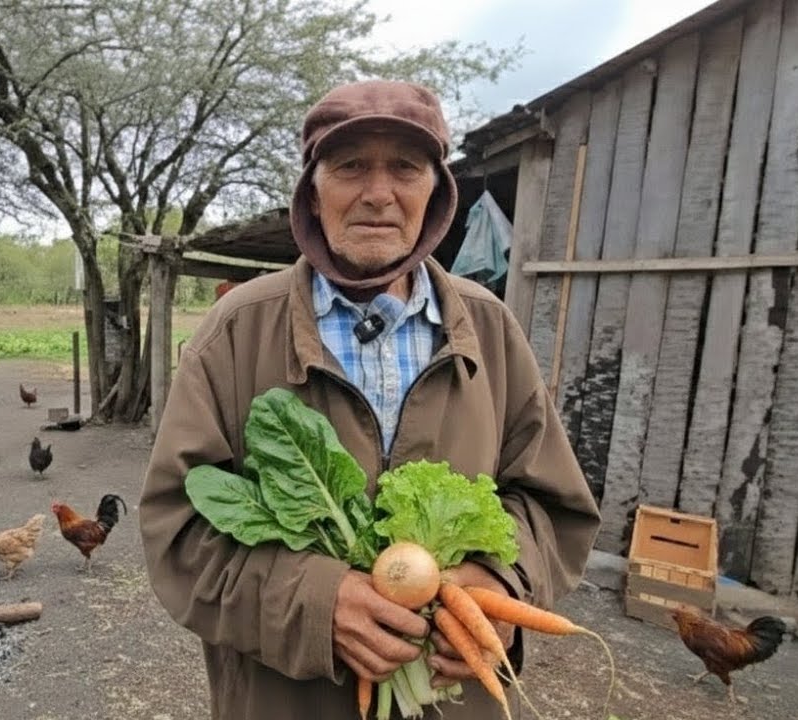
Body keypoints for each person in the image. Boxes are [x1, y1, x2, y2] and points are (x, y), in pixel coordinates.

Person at [138, 79, 602, 720]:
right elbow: (179, 530)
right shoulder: (236, 331)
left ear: (436, 190)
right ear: (314, 187)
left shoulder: (490, 329)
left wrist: (499, 583)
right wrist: (316, 604)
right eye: (350, 164)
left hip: (455, 696)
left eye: (405, 168)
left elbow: (551, 505)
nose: (378, 193)